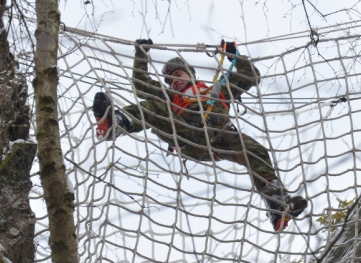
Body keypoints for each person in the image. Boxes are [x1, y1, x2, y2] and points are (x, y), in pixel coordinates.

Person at [92, 39, 307, 231]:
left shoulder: (216, 89)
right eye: (169, 79)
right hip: (186, 135)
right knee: (154, 106)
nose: (174, 81)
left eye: (177, 75)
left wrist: (233, 54)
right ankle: (118, 123)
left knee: (255, 151)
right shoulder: (170, 97)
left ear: (190, 73)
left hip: (219, 136)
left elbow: (250, 75)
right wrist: (141, 54)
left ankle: (276, 202)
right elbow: (141, 84)